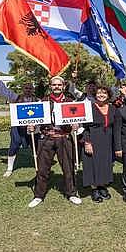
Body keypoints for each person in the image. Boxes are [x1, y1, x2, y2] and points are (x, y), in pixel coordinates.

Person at [28, 76, 82, 207]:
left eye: (59, 85)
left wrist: (76, 125)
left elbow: (78, 118)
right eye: (54, 85)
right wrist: (32, 126)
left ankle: (71, 193)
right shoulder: (43, 101)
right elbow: (35, 119)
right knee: (42, 168)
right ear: (50, 86)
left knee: (68, 167)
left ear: (63, 86)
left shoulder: (69, 101)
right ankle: (39, 195)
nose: (56, 87)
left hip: (64, 137)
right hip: (46, 137)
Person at [0, 71, 39, 177]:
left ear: (33, 89)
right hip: (18, 128)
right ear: (23, 89)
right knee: (14, 146)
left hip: (33, 128)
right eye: (26, 88)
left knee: (36, 147)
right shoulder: (15, 97)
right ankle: (9, 168)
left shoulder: (37, 100)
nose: (28, 90)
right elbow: (3, 91)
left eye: (30, 88)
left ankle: (40, 166)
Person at [82, 86, 115, 203]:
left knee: (105, 164)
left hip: (107, 141)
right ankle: (94, 189)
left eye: (104, 93)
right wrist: (87, 142)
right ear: (95, 95)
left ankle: (102, 186)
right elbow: (84, 128)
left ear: (108, 95)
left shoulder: (112, 108)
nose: (101, 95)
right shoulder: (89, 108)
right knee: (93, 164)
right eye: (99, 93)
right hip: (93, 140)